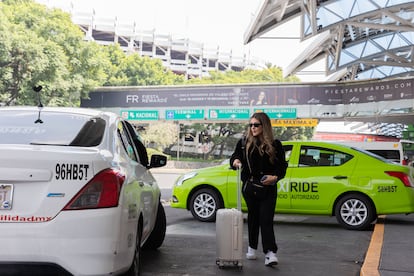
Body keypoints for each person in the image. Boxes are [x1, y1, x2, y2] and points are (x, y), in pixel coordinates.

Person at [230, 112, 287, 267]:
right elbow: (235, 157)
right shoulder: (243, 142)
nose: (253, 128)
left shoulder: (276, 144)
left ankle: (270, 253)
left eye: (256, 125)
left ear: (264, 126)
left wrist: (275, 178)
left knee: (266, 219)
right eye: (251, 125)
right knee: (253, 218)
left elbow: (282, 167)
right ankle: (252, 247)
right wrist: (235, 161)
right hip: (250, 187)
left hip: (268, 188)